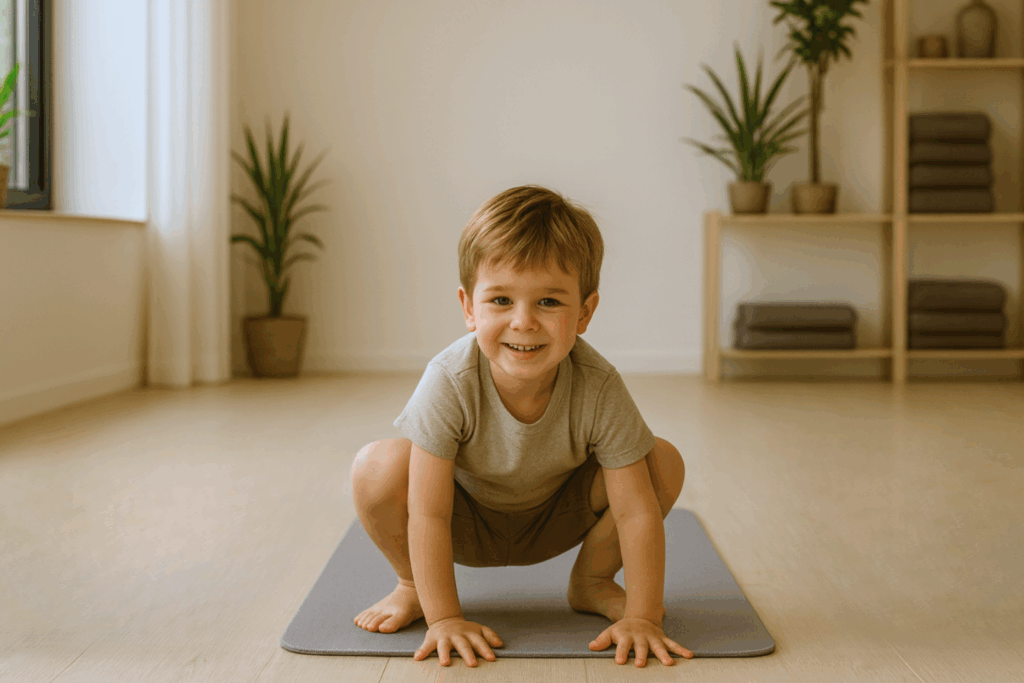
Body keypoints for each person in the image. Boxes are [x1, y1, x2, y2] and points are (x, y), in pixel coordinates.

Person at [349, 185, 694, 668]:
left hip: (555, 519)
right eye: (501, 300)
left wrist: (644, 617)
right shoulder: (449, 379)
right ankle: (413, 586)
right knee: (377, 465)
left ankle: (592, 581)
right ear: (469, 308)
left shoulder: (598, 384)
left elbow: (636, 512)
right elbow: (428, 514)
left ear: (585, 312)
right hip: (465, 522)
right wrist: (445, 620)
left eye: (549, 301)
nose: (524, 321)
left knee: (662, 460)